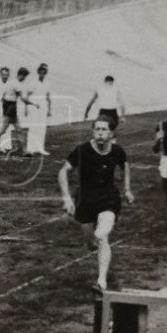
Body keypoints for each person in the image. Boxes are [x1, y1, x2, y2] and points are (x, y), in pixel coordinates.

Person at [59, 118, 134, 292]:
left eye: (104, 129)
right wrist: (66, 198)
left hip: (108, 198)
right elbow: (63, 171)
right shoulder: (83, 150)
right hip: (85, 199)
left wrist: (127, 190)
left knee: (101, 235)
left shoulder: (117, 151)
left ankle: (101, 281)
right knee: (91, 242)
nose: (100, 132)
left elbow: (125, 167)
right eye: (97, 129)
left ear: (110, 133)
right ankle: (102, 260)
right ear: (93, 132)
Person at [25, 63, 52, 156]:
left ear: (45, 73)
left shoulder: (47, 83)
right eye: (41, 72)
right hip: (34, 106)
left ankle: (40, 149)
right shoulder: (33, 82)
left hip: (43, 106)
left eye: (44, 73)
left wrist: (49, 110)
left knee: (42, 128)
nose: (42, 74)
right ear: (38, 72)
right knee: (33, 127)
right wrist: (26, 108)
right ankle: (30, 149)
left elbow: (48, 97)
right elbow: (27, 96)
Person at [0, 66, 21, 155]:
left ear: (8, 75)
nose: (5, 76)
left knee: (7, 128)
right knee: (0, 127)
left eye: (6, 74)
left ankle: (4, 146)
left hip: (8, 107)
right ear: (0, 74)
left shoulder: (11, 83)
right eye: (3, 74)